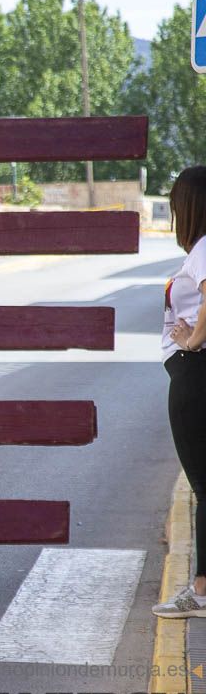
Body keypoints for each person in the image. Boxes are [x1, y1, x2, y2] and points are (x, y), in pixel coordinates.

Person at [153, 166, 206, 618]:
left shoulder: (204, 249)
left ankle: (202, 592)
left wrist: (191, 340)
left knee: (204, 486)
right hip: (194, 370)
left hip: (195, 374)